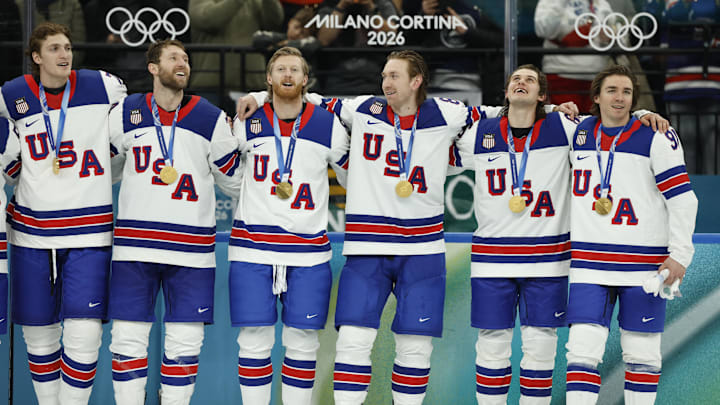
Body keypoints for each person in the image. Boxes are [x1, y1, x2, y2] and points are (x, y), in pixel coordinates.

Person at [456, 64, 667, 405]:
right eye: (515, 79)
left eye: (530, 80)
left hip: (548, 262)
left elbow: (608, 122)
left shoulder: (565, 128)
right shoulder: (478, 133)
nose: (521, 83)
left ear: (542, 96)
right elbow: (434, 150)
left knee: (540, 352)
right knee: (491, 350)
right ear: (507, 92)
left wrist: (641, 113)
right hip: (491, 263)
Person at [106, 39, 240, 405]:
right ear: (153, 67)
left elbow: (234, 181)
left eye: (186, 58)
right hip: (135, 246)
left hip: (192, 251)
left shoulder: (210, 116)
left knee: (185, 343)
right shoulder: (125, 112)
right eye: (173, 58)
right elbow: (108, 170)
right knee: (127, 338)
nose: (183, 63)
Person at [0, 22, 126, 405]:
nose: (64, 54)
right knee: (38, 331)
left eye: (68, 47)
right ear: (36, 57)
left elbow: (132, 133)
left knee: (85, 333)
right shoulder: (12, 94)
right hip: (31, 232)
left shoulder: (103, 85)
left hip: (89, 231)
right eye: (54, 48)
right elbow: (7, 150)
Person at [565, 64, 697, 404]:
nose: (619, 97)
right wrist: (554, 108)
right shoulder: (577, 132)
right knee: (581, 352)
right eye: (611, 90)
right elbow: (530, 115)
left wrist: (680, 254)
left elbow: (683, 200)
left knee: (642, 357)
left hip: (643, 266)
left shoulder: (656, 136)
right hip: (589, 265)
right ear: (595, 97)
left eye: (626, 92)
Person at [229, 46, 349, 405]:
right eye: (280, 68)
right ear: (268, 78)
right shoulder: (246, 119)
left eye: (295, 69)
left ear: (305, 80)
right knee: (253, 339)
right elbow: (231, 175)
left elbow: (352, 175)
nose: (287, 75)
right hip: (252, 247)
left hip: (308, 252)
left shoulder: (328, 125)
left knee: (302, 341)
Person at [534, 0, 613, 113]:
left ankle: (583, 132)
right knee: (566, 124)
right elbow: (543, 29)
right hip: (562, 75)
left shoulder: (601, 3)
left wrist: (607, 38)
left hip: (596, 77)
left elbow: (615, 34)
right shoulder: (550, 2)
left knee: (588, 127)